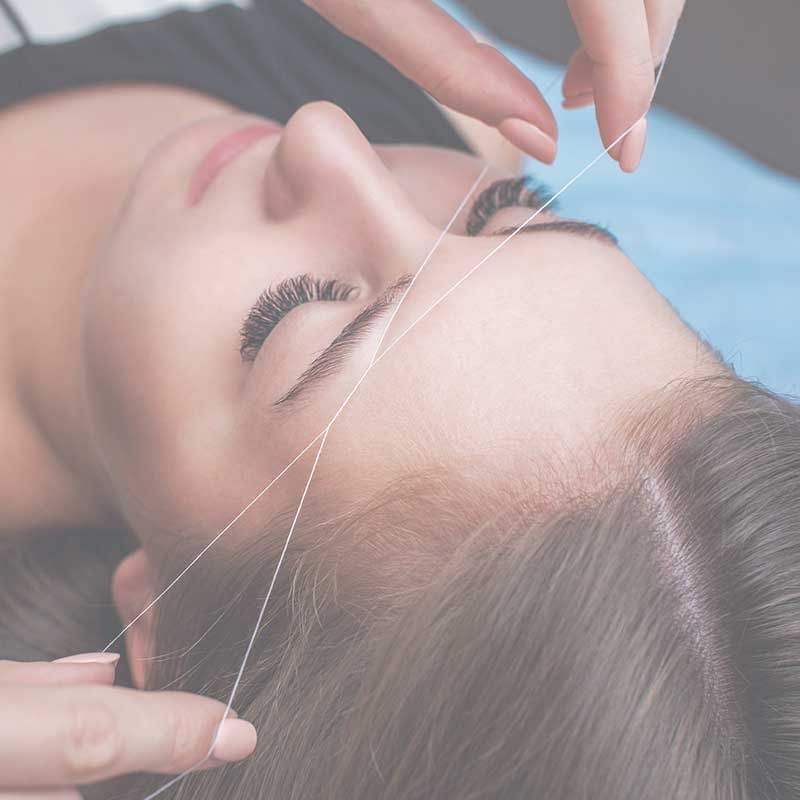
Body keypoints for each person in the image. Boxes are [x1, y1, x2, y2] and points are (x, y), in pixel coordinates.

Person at [3, 1, 798, 798]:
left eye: (297, 312)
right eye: (509, 219)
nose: (325, 133)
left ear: (160, 633)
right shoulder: (414, 84)